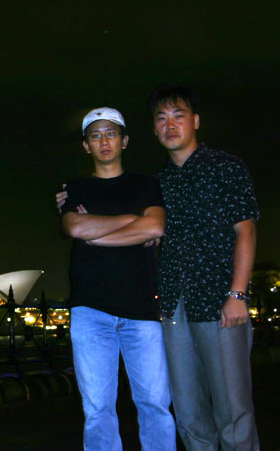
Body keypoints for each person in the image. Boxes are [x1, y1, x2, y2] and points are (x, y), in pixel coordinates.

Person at [149, 84, 260, 451]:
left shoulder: (225, 167)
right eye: (161, 119)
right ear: (154, 128)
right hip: (174, 304)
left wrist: (237, 294)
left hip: (218, 301)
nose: (170, 126)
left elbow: (246, 231)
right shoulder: (158, 183)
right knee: (188, 410)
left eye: (178, 116)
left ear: (195, 121)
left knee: (232, 409)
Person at [59, 107, 176, 451]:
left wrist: (96, 235)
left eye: (111, 133)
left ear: (124, 140)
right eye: (95, 136)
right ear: (86, 146)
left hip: (142, 311)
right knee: (98, 409)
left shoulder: (146, 184)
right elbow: (74, 227)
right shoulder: (74, 187)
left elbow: (156, 226)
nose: (104, 141)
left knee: (155, 404)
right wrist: (132, 222)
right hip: (90, 311)